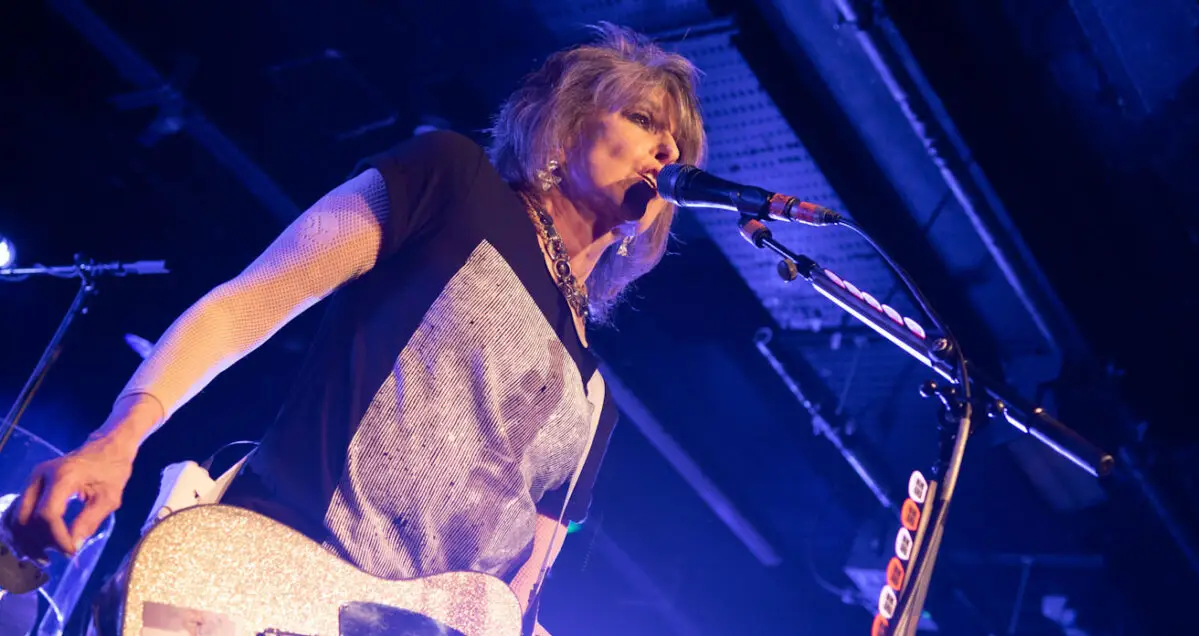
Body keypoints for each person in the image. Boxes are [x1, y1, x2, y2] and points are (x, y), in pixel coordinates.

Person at [3, 21, 706, 636]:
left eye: (679, 147)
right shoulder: (454, 181)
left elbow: (513, 603)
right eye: (645, 120)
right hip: (264, 581)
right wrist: (116, 441)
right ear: (566, 121)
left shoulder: (595, 403)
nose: (667, 152)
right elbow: (250, 301)